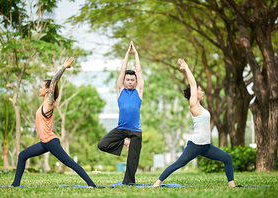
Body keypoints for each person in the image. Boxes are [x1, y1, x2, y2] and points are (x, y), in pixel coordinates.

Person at [10, 57, 96, 188]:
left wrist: (64, 67)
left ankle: (91, 184)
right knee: (22, 155)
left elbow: (54, 81)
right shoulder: (44, 104)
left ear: (47, 90)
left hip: (50, 141)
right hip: (45, 142)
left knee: (70, 163)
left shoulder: (49, 103)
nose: (39, 89)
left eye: (41, 87)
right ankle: (15, 185)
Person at [153, 58, 236, 187]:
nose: (202, 92)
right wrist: (186, 68)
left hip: (206, 146)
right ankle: (157, 183)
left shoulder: (201, 107)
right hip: (196, 144)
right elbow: (192, 83)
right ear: (194, 93)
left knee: (227, 158)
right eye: (200, 90)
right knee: (178, 164)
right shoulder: (193, 105)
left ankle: (232, 185)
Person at [98, 41, 144, 185]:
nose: (130, 82)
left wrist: (135, 54)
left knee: (133, 160)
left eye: (132, 80)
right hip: (121, 130)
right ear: (123, 81)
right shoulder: (120, 92)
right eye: (127, 79)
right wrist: (126, 54)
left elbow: (140, 71)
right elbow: (122, 70)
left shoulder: (139, 92)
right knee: (102, 144)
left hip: (136, 131)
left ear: (136, 82)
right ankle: (124, 142)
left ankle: (128, 182)